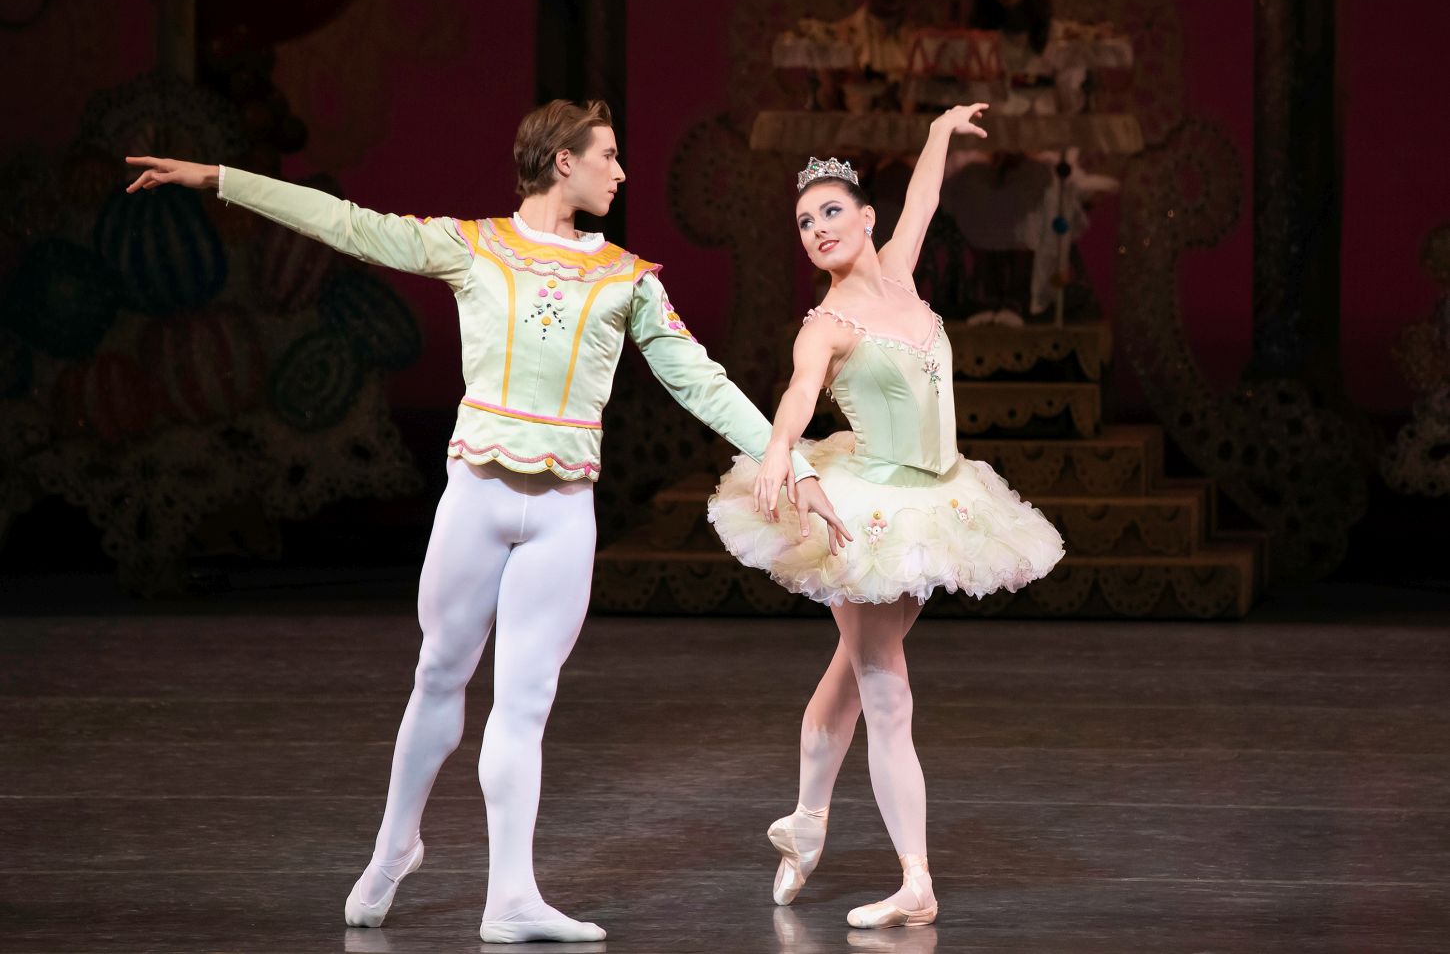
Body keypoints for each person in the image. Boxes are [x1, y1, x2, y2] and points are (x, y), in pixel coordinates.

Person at [125, 99, 849, 944]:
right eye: (608, 155)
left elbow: (702, 380)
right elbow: (349, 225)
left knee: (524, 704)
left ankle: (510, 897)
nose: (622, 172)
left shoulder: (625, 278)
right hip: (475, 498)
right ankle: (396, 845)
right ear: (562, 161)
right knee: (439, 674)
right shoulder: (472, 246)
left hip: (562, 514)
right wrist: (221, 179)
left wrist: (792, 462)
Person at [707, 104, 1065, 930]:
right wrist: (779, 452)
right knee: (885, 687)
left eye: (832, 211)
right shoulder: (826, 326)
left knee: (853, 668)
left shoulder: (900, 270)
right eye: (805, 222)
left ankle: (806, 819)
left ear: (868, 219)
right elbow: (798, 392)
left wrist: (938, 131)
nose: (818, 229)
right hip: (865, 512)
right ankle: (916, 880)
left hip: (934, 501)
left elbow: (927, 199)